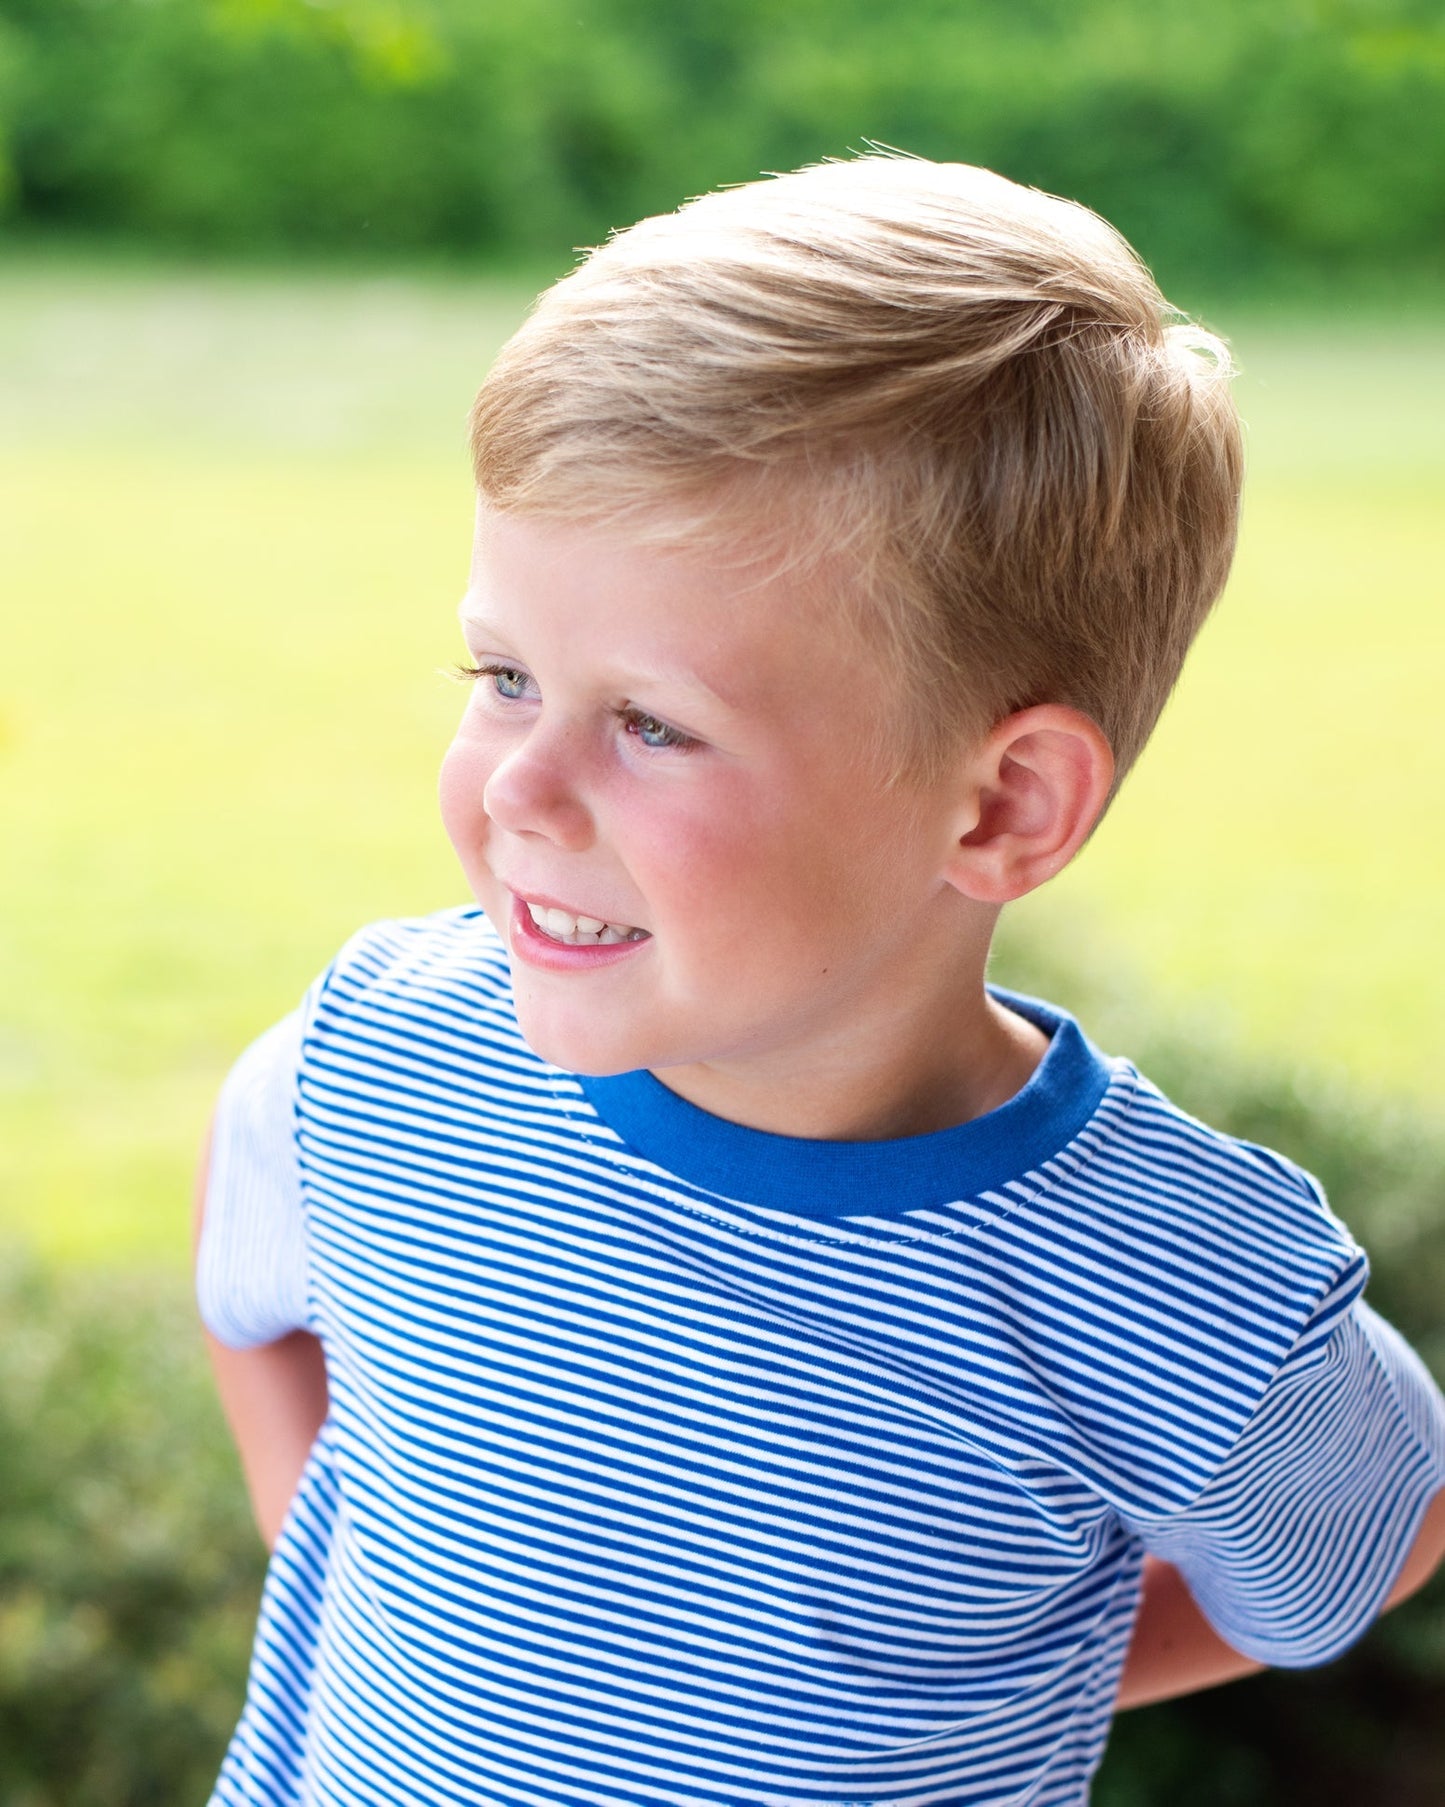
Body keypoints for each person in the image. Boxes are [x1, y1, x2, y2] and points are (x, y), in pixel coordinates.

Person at [195, 156, 1445, 1807]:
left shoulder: (1179, 1299)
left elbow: (1382, 1532)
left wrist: (1009, 1680)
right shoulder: (389, 1049)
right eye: (503, 676)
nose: (517, 791)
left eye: (651, 722)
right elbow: (256, 1277)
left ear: (999, 806)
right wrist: (336, 1551)